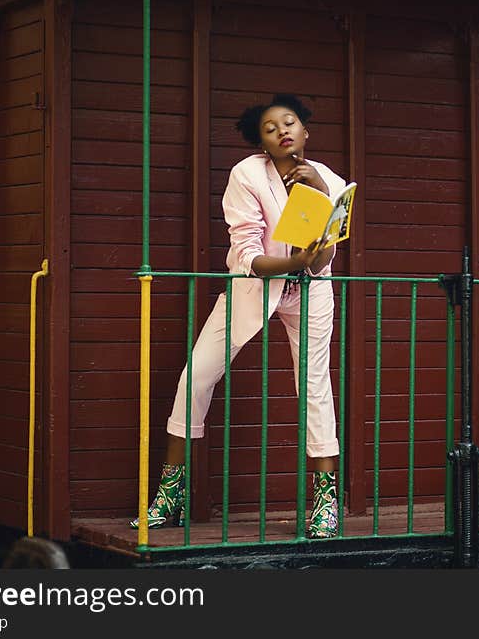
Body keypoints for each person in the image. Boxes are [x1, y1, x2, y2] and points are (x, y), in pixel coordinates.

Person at [132, 93, 344, 539]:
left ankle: (326, 503)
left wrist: (321, 198)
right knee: (196, 377)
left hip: (310, 293)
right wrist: (291, 263)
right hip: (253, 287)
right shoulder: (247, 175)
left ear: (305, 131)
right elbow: (247, 252)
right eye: (271, 128)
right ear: (262, 144)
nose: (283, 131)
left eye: (290, 123)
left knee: (315, 387)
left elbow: (323, 260)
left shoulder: (330, 179)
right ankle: (171, 496)